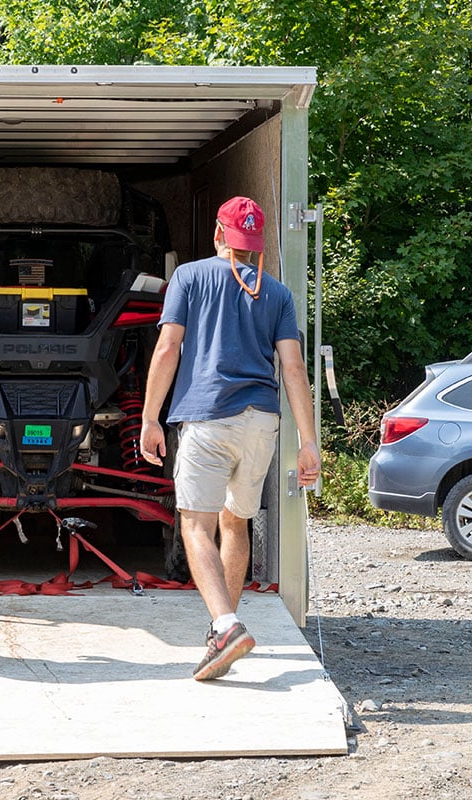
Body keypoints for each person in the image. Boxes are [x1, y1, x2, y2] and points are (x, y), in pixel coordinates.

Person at [139, 195, 321, 681]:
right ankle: (225, 631)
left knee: (195, 526)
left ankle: (226, 625)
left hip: (209, 417)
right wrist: (309, 441)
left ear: (219, 234)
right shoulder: (279, 294)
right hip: (261, 421)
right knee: (235, 522)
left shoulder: (190, 277)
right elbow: (294, 368)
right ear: (257, 243)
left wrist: (149, 417)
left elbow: (168, 347)